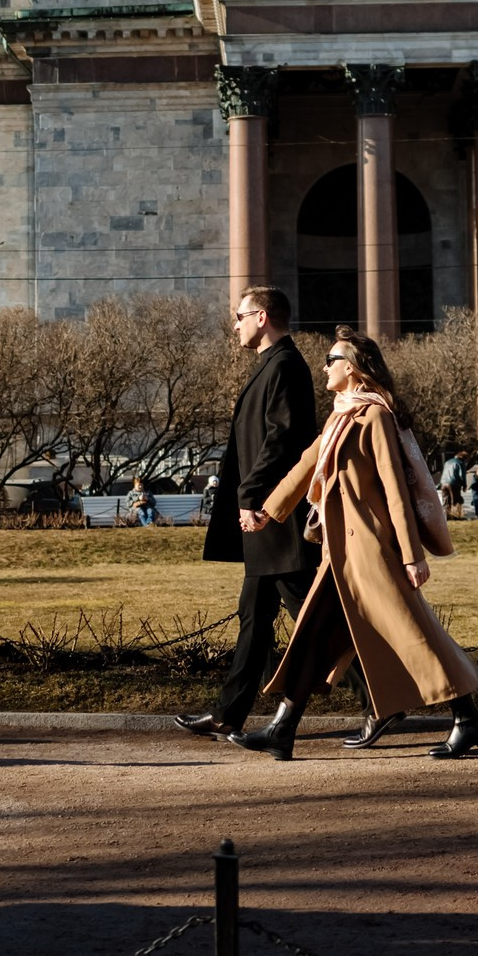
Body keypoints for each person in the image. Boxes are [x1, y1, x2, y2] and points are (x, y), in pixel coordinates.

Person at [228, 328, 478, 762]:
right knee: (312, 634)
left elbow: (395, 489)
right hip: (339, 553)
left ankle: (467, 718)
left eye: (331, 360)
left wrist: (412, 556)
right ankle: (282, 728)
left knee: (413, 635)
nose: (324, 367)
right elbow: (305, 465)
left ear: (351, 369)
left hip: (371, 550)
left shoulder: (375, 417)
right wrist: (266, 510)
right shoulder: (341, 415)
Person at [173, 287, 323, 743]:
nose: (234, 324)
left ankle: (386, 702)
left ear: (262, 317)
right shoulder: (273, 364)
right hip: (268, 520)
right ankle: (227, 715)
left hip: (276, 517)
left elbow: (281, 440)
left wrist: (250, 493)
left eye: (240, 316)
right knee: (255, 618)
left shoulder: (285, 364)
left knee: (318, 621)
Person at [439, 451, 466, 515]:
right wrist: (464, 485)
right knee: (455, 500)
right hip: (454, 483)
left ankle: (446, 515)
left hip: (443, 482)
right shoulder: (460, 462)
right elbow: (462, 475)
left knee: (446, 500)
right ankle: (456, 514)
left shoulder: (447, 462)